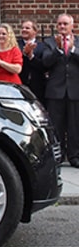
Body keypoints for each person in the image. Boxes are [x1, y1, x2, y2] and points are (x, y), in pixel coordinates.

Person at [42, 13, 79, 167]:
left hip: (75, 90)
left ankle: (74, 155)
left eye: (65, 24)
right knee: (56, 126)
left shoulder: (78, 42)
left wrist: (73, 50)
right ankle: (57, 155)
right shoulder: (49, 42)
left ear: (72, 26)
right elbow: (45, 62)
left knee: (75, 126)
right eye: (59, 24)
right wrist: (58, 50)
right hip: (56, 91)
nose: (62, 27)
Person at [18, 19, 47, 104]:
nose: (24, 30)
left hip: (38, 85)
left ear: (35, 31)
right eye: (22, 28)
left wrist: (31, 56)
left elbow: (44, 66)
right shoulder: (16, 45)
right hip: (21, 83)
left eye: (27, 28)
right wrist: (24, 53)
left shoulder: (42, 46)